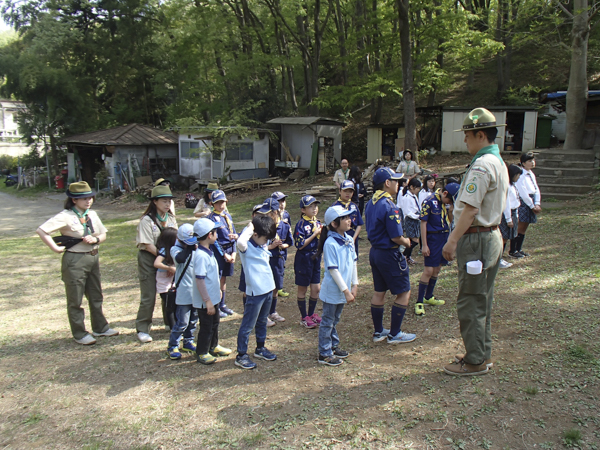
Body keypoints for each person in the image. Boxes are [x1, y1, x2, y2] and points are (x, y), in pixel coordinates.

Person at [442, 107, 509, 376]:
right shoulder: (497, 161)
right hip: (489, 236)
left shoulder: (483, 165)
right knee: (482, 298)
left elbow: (470, 209)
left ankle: (475, 360)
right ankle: (481, 352)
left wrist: (452, 240)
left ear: (480, 134)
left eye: (468, 135)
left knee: (471, 300)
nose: (465, 141)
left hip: (477, 239)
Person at [36, 181, 118, 345]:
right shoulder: (65, 216)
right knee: (76, 299)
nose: (88, 201)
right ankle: (79, 333)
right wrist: (54, 248)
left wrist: (95, 239)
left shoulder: (92, 214)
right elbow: (42, 230)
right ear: (74, 200)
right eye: (83, 199)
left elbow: (103, 234)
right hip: (75, 259)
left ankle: (100, 327)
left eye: (90, 198)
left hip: (92, 257)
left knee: (96, 295)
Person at [364, 167, 417, 344]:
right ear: (387, 183)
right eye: (396, 181)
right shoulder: (388, 205)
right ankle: (395, 334)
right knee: (403, 292)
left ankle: (379, 332)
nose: (398, 184)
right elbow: (395, 236)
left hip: (375, 253)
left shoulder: (370, 203)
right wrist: (407, 242)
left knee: (379, 291)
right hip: (389, 253)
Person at [314, 206, 358, 366]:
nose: (349, 220)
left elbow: (353, 263)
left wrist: (355, 284)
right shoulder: (331, 243)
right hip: (334, 290)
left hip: (344, 289)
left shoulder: (348, 239)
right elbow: (333, 270)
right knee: (327, 320)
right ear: (334, 223)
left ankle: (333, 345)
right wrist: (346, 291)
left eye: (349, 217)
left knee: (335, 319)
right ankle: (324, 353)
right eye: (345, 218)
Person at [235, 215, 279, 369]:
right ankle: (241, 355)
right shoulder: (245, 247)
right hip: (255, 292)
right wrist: (251, 226)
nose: (267, 241)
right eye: (265, 237)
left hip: (267, 289)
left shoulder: (263, 244)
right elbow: (240, 241)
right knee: (248, 324)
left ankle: (260, 348)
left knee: (262, 321)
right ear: (255, 234)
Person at [135, 185, 178, 343]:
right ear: (154, 202)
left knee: (168, 292)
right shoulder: (146, 221)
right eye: (164, 201)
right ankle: (142, 328)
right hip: (149, 258)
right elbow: (148, 245)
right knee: (149, 295)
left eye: (169, 201)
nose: (167, 204)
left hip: (167, 259)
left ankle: (169, 321)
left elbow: (176, 238)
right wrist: (166, 258)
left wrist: (171, 260)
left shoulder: (171, 218)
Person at [414, 183, 460, 316]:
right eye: (450, 200)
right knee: (428, 270)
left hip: (444, 237)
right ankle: (419, 301)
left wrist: (451, 211)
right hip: (432, 238)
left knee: (437, 268)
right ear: (445, 193)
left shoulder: (445, 204)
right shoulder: (429, 201)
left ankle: (429, 296)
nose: (450, 202)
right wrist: (424, 244)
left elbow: (449, 222)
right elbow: (423, 223)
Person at [193, 218, 232, 365]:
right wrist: (207, 301)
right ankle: (202, 351)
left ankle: (213, 346)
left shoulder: (208, 251)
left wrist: (217, 293)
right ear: (210, 235)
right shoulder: (201, 256)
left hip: (213, 298)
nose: (217, 234)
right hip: (206, 302)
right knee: (206, 326)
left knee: (215, 323)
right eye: (215, 232)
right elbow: (200, 280)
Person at [166, 224, 199, 360]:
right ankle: (173, 345)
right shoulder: (175, 249)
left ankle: (188, 341)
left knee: (193, 320)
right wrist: (190, 248)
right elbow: (180, 259)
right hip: (184, 292)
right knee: (182, 322)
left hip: (196, 292)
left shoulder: (195, 248)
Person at [293, 195, 323, 328]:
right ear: (303, 210)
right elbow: (299, 245)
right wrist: (314, 234)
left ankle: (312, 314)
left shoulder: (318, 222)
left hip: (316, 257)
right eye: (310, 206)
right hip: (304, 258)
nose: (314, 209)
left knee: (316, 288)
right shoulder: (300, 224)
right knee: (303, 288)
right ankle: (304, 316)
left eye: (315, 206)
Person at [208, 190, 238, 317]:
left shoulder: (227, 216)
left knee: (224, 278)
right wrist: (223, 254)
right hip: (219, 251)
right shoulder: (210, 219)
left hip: (230, 250)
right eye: (218, 203)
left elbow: (234, 234)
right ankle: (216, 304)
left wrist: (234, 252)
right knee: (217, 278)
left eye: (223, 202)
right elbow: (214, 240)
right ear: (212, 204)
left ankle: (222, 304)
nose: (221, 205)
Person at [267, 196, 293, 324]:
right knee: (266, 286)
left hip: (279, 259)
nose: (268, 215)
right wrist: (271, 246)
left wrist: (284, 245)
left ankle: (272, 311)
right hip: (267, 259)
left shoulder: (285, 225)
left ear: (275, 212)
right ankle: (265, 313)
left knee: (276, 286)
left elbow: (290, 241)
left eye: (270, 213)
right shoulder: (265, 226)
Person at [513, 152, 541, 258]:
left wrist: (537, 203)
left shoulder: (531, 174)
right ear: (523, 163)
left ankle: (519, 248)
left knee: (525, 226)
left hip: (532, 200)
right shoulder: (521, 175)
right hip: (525, 202)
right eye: (529, 161)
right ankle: (513, 250)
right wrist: (531, 205)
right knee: (520, 225)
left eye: (533, 160)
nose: (532, 163)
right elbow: (523, 192)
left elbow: (536, 188)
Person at [154, 227, 178, 330]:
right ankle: (172, 327)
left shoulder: (174, 249)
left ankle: (176, 325)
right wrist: (168, 268)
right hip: (164, 281)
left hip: (172, 280)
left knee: (175, 304)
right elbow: (156, 263)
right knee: (170, 306)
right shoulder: (164, 250)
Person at [332, 180, 363, 258]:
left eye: (350, 191)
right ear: (340, 191)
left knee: (353, 260)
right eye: (345, 191)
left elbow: (359, 224)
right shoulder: (335, 206)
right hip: (339, 238)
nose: (348, 193)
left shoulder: (354, 206)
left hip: (352, 237)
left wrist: (353, 239)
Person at [499, 164, 523, 268]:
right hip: (506, 213)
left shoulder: (513, 185)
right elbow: (506, 203)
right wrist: (509, 219)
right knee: (503, 238)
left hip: (513, 211)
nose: (518, 177)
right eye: (517, 175)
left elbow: (515, 200)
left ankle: (500, 257)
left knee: (507, 237)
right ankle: (498, 258)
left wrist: (516, 215)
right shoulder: (506, 186)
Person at [271, 191, 292, 298]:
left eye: (283, 200)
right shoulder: (271, 215)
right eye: (279, 201)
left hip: (283, 246)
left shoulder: (286, 214)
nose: (282, 203)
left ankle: (279, 287)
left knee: (281, 266)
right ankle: (275, 288)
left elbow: (289, 228)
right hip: (272, 247)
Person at [402, 178, 422, 265]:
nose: (418, 190)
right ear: (412, 187)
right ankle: (404, 255)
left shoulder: (414, 196)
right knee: (414, 240)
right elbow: (407, 212)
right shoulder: (407, 197)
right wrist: (417, 216)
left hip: (416, 219)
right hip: (410, 219)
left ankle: (407, 256)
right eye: (417, 188)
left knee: (414, 239)